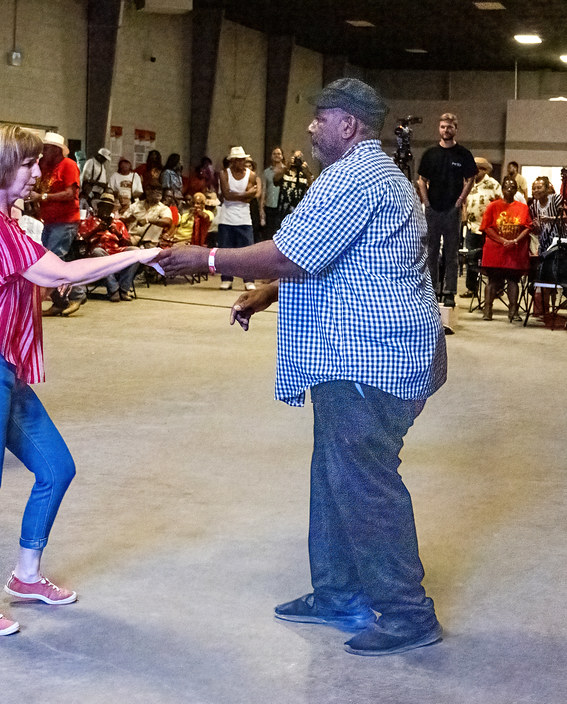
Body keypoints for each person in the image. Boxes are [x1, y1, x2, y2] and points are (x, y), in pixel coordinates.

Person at [155, 78, 447, 657]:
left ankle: (408, 613)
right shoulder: (370, 174)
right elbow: (336, 258)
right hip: (361, 354)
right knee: (334, 473)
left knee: (365, 484)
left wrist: (205, 257)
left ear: (350, 125)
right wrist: (266, 293)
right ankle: (337, 591)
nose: (311, 127)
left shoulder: (355, 177)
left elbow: (291, 252)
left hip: (371, 360)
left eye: (321, 117)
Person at [0, 123, 158, 636]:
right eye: (27, 164)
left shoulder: (10, 224)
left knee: (57, 469)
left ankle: (26, 576)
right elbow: (61, 274)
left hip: (4, 370)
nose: (38, 172)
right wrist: (139, 255)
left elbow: (46, 277)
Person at [417, 113, 477, 307]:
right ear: (439, 128)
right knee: (431, 252)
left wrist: (460, 201)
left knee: (451, 253)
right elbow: (421, 180)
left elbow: (470, 179)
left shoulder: (463, 154)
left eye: (449, 127)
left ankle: (450, 291)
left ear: (455, 129)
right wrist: (426, 202)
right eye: (443, 127)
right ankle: (432, 290)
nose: (446, 130)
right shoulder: (430, 153)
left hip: (453, 210)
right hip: (432, 210)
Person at [28, 131, 86, 316]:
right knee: (60, 260)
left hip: (65, 221)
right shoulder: (44, 166)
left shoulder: (68, 165)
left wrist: (43, 197)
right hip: (50, 220)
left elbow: (71, 193)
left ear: (57, 150)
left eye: (46, 148)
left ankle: (74, 295)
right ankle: (64, 300)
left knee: (53, 260)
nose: (43, 152)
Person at [479, 176, 531, 322]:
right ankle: (487, 310)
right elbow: (487, 227)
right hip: (495, 249)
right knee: (493, 280)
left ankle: (513, 311)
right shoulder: (493, 206)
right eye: (506, 186)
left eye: (513, 187)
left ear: (516, 190)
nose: (509, 189)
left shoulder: (523, 208)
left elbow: (527, 227)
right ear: (502, 189)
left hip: (514, 250)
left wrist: (515, 240)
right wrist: (502, 240)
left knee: (513, 280)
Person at [78, 191, 139, 300]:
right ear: (99, 207)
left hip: (115, 252)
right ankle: (114, 289)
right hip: (97, 254)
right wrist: (96, 230)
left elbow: (128, 243)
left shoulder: (118, 223)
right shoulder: (89, 221)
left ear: (112, 209)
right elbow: (81, 240)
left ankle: (123, 290)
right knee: (98, 252)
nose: (106, 210)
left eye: (109, 207)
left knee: (136, 251)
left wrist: (118, 233)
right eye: (103, 206)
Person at [214, 146, 258, 290]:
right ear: (232, 161)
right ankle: (227, 279)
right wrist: (244, 194)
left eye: (243, 159)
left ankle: (249, 280)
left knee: (247, 251)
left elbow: (249, 199)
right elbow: (226, 195)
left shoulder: (250, 175)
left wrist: (235, 195)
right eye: (239, 160)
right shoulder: (224, 174)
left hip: (244, 218)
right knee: (226, 250)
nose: (242, 162)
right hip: (226, 218)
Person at [461, 157, 502, 300]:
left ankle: (495, 289)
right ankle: (471, 289)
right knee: (471, 259)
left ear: (484, 169)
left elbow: (500, 205)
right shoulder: (469, 183)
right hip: (472, 227)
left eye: (477, 168)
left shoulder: (493, 184)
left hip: (489, 229)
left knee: (491, 261)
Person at [527, 176, 562, 318]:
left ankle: (554, 307)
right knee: (543, 275)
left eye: (539, 187)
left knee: (556, 276)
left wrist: (551, 219)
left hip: (559, 242)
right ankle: (543, 309)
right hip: (544, 243)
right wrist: (536, 227)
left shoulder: (556, 199)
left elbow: (565, 216)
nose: (536, 190)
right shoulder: (534, 205)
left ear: (547, 188)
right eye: (534, 188)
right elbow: (537, 230)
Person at [121, 182, 172, 247]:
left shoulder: (163, 208)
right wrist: (128, 219)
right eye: (154, 190)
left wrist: (148, 220)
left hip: (149, 244)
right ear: (147, 191)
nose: (158, 193)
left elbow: (168, 221)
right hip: (131, 238)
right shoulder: (136, 205)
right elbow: (122, 220)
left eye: (159, 191)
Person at [261, 147, 285, 240]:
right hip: (270, 205)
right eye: (274, 154)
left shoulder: (286, 170)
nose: (276, 156)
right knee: (269, 232)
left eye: (279, 154)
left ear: (282, 156)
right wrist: (261, 208)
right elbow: (264, 189)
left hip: (282, 206)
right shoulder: (267, 172)